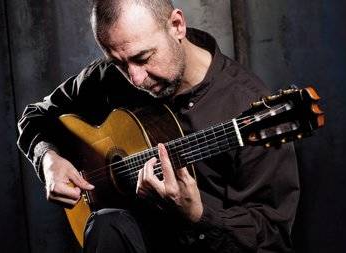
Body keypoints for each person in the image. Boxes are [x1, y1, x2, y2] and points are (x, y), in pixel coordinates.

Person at [17, 0, 299, 252]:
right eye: (118, 63)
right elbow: (36, 117)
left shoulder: (247, 106)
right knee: (106, 224)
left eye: (143, 58)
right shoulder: (110, 77)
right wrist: (48, 159)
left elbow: (271, 236)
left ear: (177, 25)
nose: (136, 78)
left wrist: (200, 216)